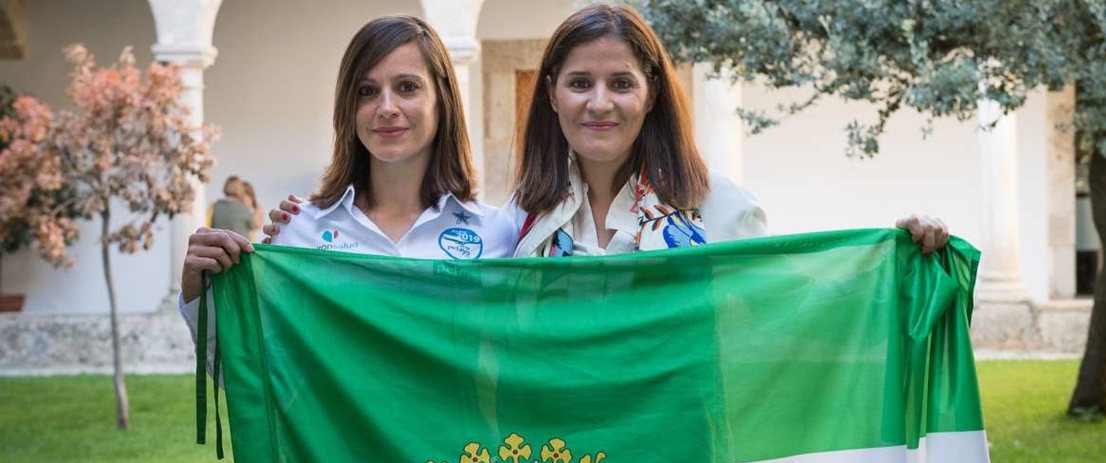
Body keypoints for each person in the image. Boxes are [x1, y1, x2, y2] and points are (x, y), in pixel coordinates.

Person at [267, 5, 947, 256]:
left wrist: (899, 260)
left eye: (622, 83)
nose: (600, 103)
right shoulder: (521, 230)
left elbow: (780, 331)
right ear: (552, 98)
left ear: (652, 97)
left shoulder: (719, 212)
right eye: (579, 83)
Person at [179, 15, 517, 336]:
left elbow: (518, 368)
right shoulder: (298, 231)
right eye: (366, 91)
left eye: (407, 87)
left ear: (441, 101)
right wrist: (198, 295)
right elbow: (262, 375)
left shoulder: (497, 235)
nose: (386, 107)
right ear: (348, 109)